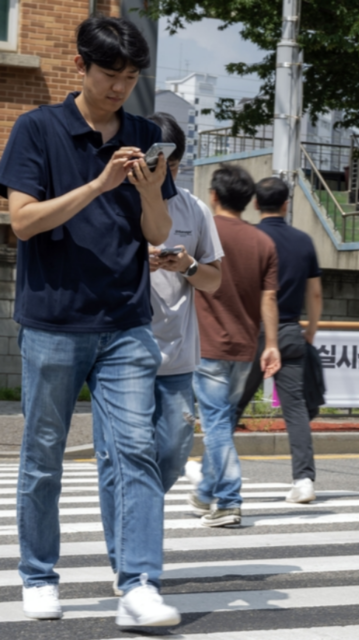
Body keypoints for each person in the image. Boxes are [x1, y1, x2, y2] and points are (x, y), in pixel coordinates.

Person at [0, 16, 181, 625]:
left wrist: (150, 188)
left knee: (134, 450)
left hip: (126, 321)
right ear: (80, 66)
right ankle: (38, 573)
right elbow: (23, 222)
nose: (119, 89)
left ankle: (137, 584)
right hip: (53, 321)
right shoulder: (36, 129)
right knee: (44, 453)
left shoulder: (143, 133)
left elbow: (157, 233)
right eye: (110, 75)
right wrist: (102, 183)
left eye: (131, 78)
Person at [94, 112, 224, 595]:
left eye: (164, 160)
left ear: (177, 162)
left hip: (176, 361)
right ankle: (126, 560)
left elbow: (214, 282)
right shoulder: (113, 203)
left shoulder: (194, 212)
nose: (155, 168)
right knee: (120, 460)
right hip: (118, 356)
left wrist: (187, 264)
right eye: (149, 157)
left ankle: (134, 515)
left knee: (168, 458)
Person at [190, 165, 281, 527]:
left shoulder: (204, 231)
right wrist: (271, 344)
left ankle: (228, 499)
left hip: (208, 342)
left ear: (214, 195)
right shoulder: (263, 242)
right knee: (222, 422)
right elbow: (269, 299)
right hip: (245, 346)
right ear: (249, 200)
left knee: (214, 423)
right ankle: (205, 492)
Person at [234, 177, 324, 503]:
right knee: (295, 409)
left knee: (232, 406)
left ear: (256, 204)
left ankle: (214, 474)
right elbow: (314, 292)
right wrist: (310, 329)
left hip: (250, 332)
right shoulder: (303, 241)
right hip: (289, 331)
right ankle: (304, 480)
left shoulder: (249, 237)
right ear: (286, 204)